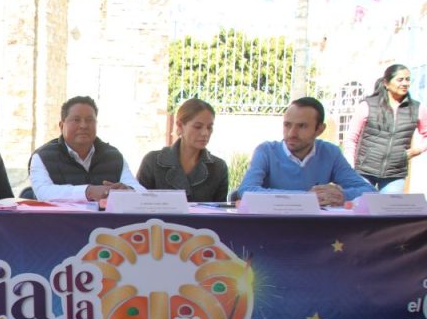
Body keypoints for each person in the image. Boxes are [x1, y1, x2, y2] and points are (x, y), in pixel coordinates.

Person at [237, 97, 375, 207]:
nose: (292, 133)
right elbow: (246, 191)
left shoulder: (330, 153)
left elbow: (369, 191)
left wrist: (342, 195)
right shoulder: (266, 151)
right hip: (273, 225)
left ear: (319, 129)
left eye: (302, 126)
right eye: (287, 125)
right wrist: (306, 197)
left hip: (315, 226)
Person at [28, 96, 143, 201]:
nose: (83, 126)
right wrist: (88, 192)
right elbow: (44, 193)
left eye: (89, 120)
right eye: (76, 120)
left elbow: (141, 192)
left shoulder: (113, 156)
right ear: (62, 126)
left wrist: (129, 191)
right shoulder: (43, 157)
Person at [346, 63, 427, 193]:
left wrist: (418, 150)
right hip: (364, 172)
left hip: (395, 174)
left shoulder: (417, 108)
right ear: (386, 83)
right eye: (400, 79)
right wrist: (350, 167)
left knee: (390, 206)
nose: (405, 83)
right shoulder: (367, 106)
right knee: (362, 205)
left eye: (407, 79)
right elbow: (351, 138)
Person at [137, 98, 228, 202]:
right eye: (198, 127)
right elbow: (138, 204)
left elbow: (221, 209)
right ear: (180, 126)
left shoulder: (218, 168)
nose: (205, 133)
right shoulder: (152, 161)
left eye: (209, 127)